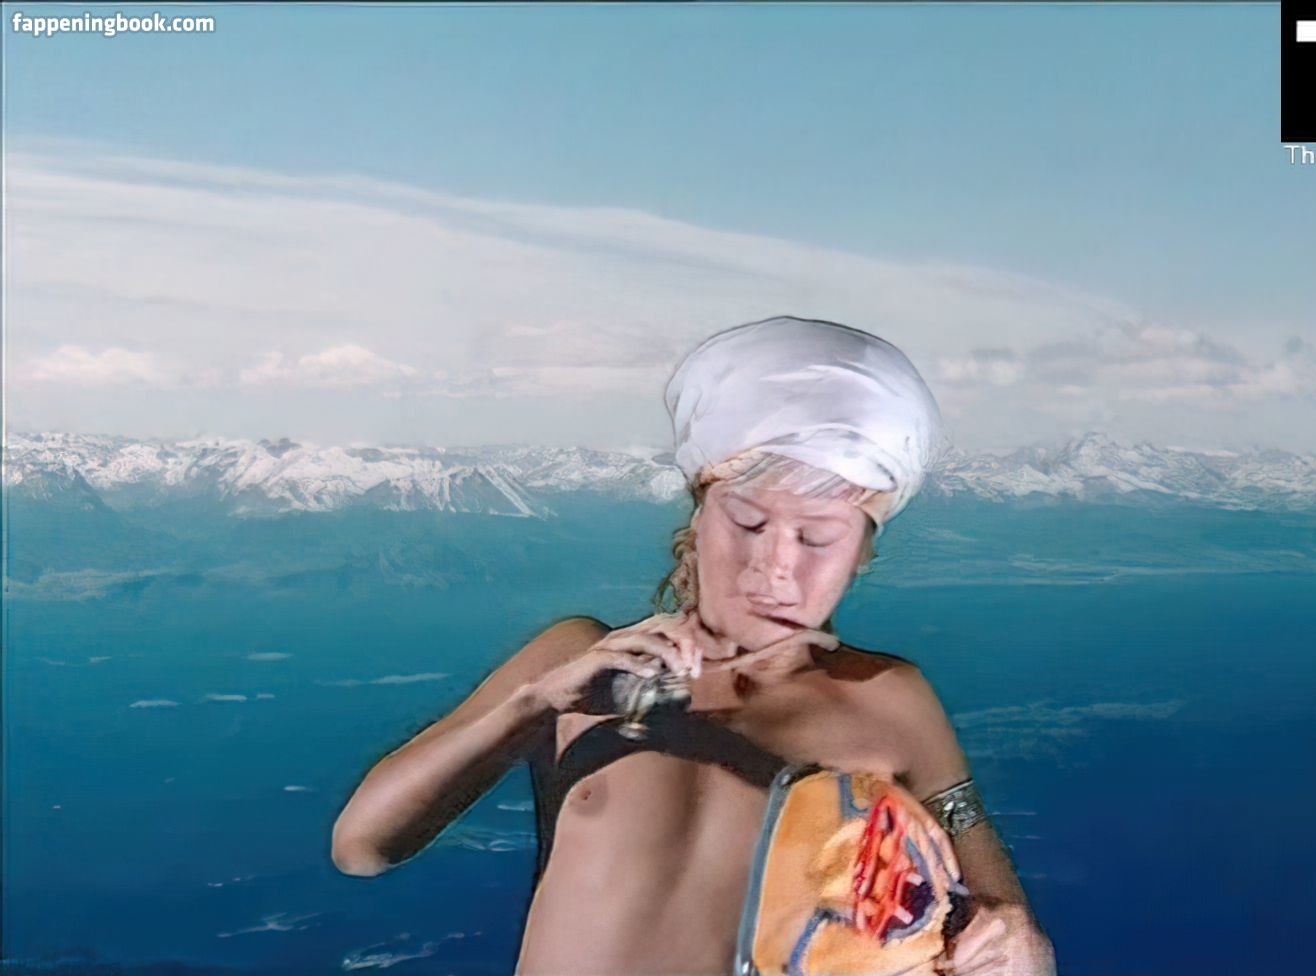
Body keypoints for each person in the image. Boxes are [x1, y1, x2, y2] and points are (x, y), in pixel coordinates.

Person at [331, 316, 1057, 975]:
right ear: (699, 513)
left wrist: (1015, 937)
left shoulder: (889, 699)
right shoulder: (574, 659)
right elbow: (362, 846)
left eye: (817, 538)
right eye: (749, 523)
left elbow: (1009, 930)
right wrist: (532, 707)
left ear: (862, 554)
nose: (776, 567)